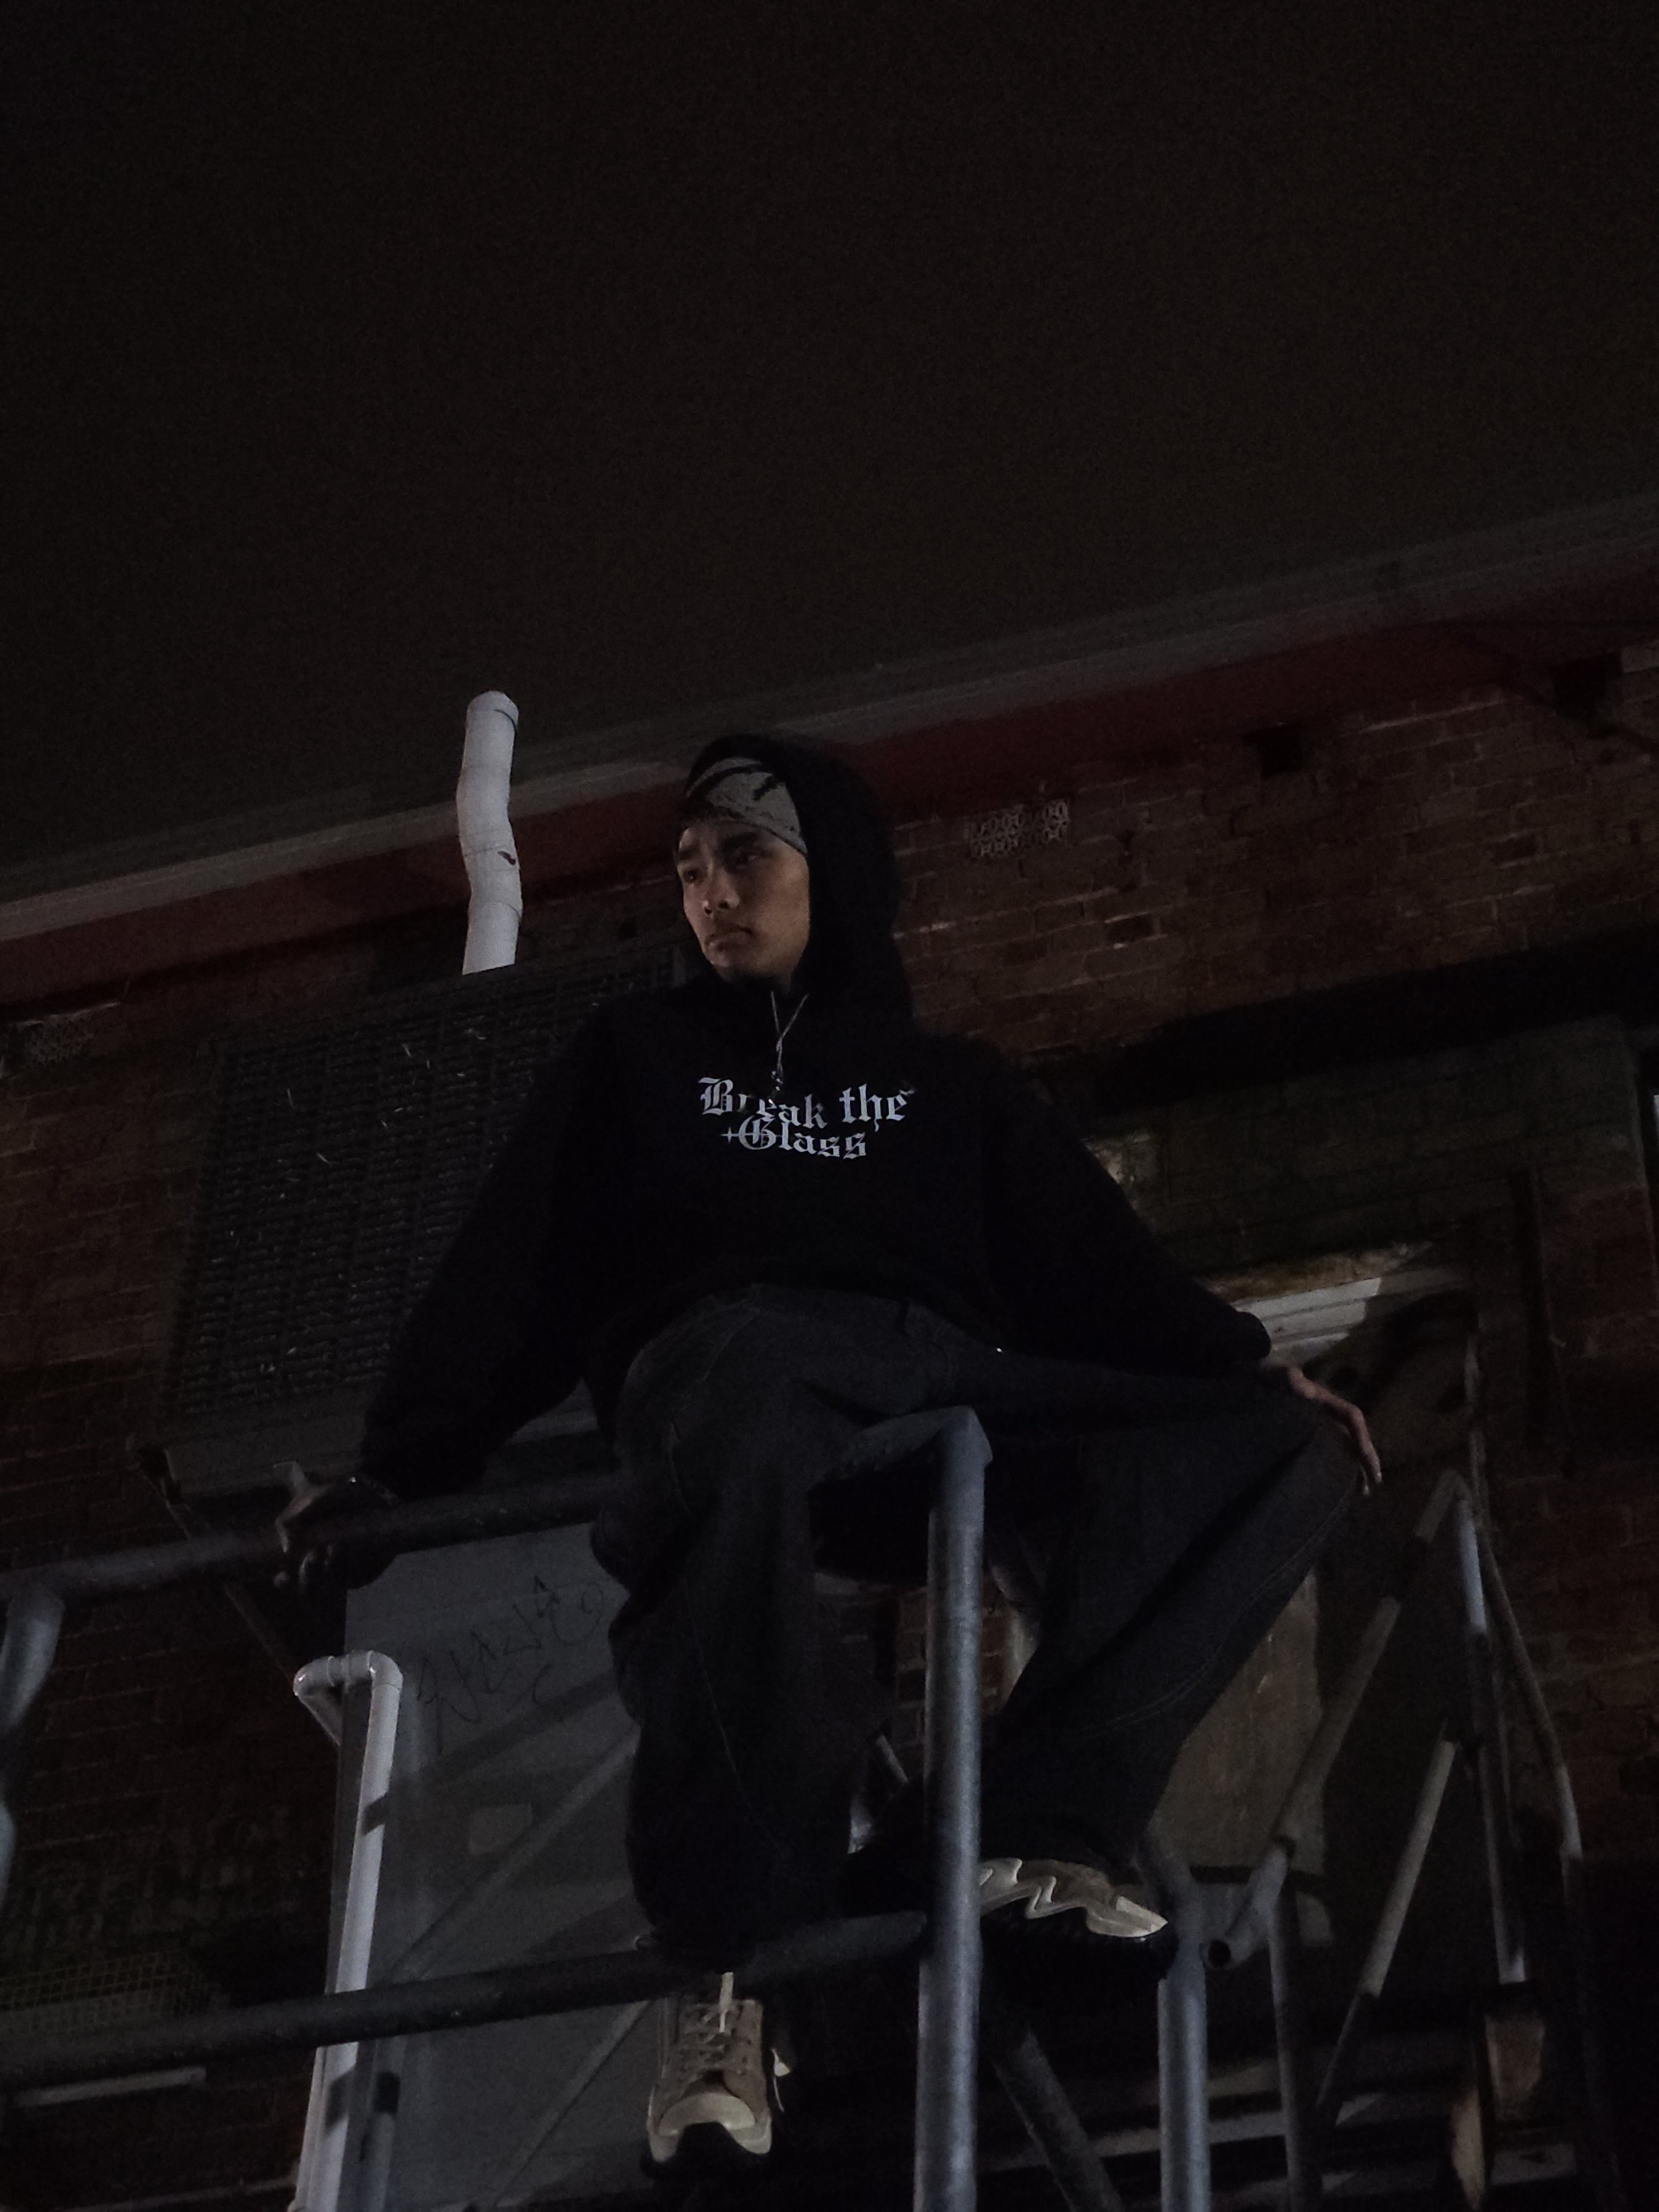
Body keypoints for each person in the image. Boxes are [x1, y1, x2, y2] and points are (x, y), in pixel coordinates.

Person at [285, 736, 1377, 2177]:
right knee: (733, 1391)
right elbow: (515, 1266)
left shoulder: (950, 1084)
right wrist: (402, 1465)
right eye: (689, 871)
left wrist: (1245, 1373)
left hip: (939, 1377)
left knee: (1288, 1448)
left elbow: (1101, 1269)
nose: (710, 895)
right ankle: (735, 1964)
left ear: (835, 876)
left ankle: (1027, 1822)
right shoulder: (637, 1057)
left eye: (746, 858)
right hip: (734, 1356)